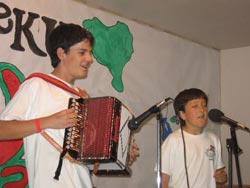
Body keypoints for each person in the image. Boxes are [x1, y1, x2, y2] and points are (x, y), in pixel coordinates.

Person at [0, 23, 139, 188]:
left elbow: (91, 165)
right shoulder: (37, 84)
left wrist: (120, 156)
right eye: (82, 52)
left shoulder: (82, 98)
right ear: (61, 53)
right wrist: (47, 122)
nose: (89, 59)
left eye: (90, 53)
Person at [161, 88, 227, 188]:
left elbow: (218, 175)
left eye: (204, 105)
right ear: (182, 114)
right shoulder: (173, 140)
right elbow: (164, 181)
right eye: (195, 106)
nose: (202, 110)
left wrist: (222, 177)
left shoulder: (213, 139)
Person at [0, 108, 76, 140]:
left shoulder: (78, 94)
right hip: (49, 171)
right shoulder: (35, 83)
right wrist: (48, 121)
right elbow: (3, 129)